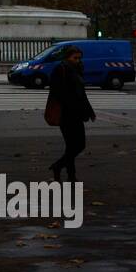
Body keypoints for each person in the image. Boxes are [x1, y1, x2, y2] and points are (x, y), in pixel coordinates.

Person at [48, 46, 95, 182]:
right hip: (66, 114)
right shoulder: (60, 69)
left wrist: (89, 111)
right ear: (67, 57)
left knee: (75, 146)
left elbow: (82, 93)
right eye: (75, 58)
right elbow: (57, 91)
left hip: (77, 113)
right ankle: (62, 169)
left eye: (79, 58)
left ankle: (68, 173)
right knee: (76, 145)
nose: (78, 60)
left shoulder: (77, 70)